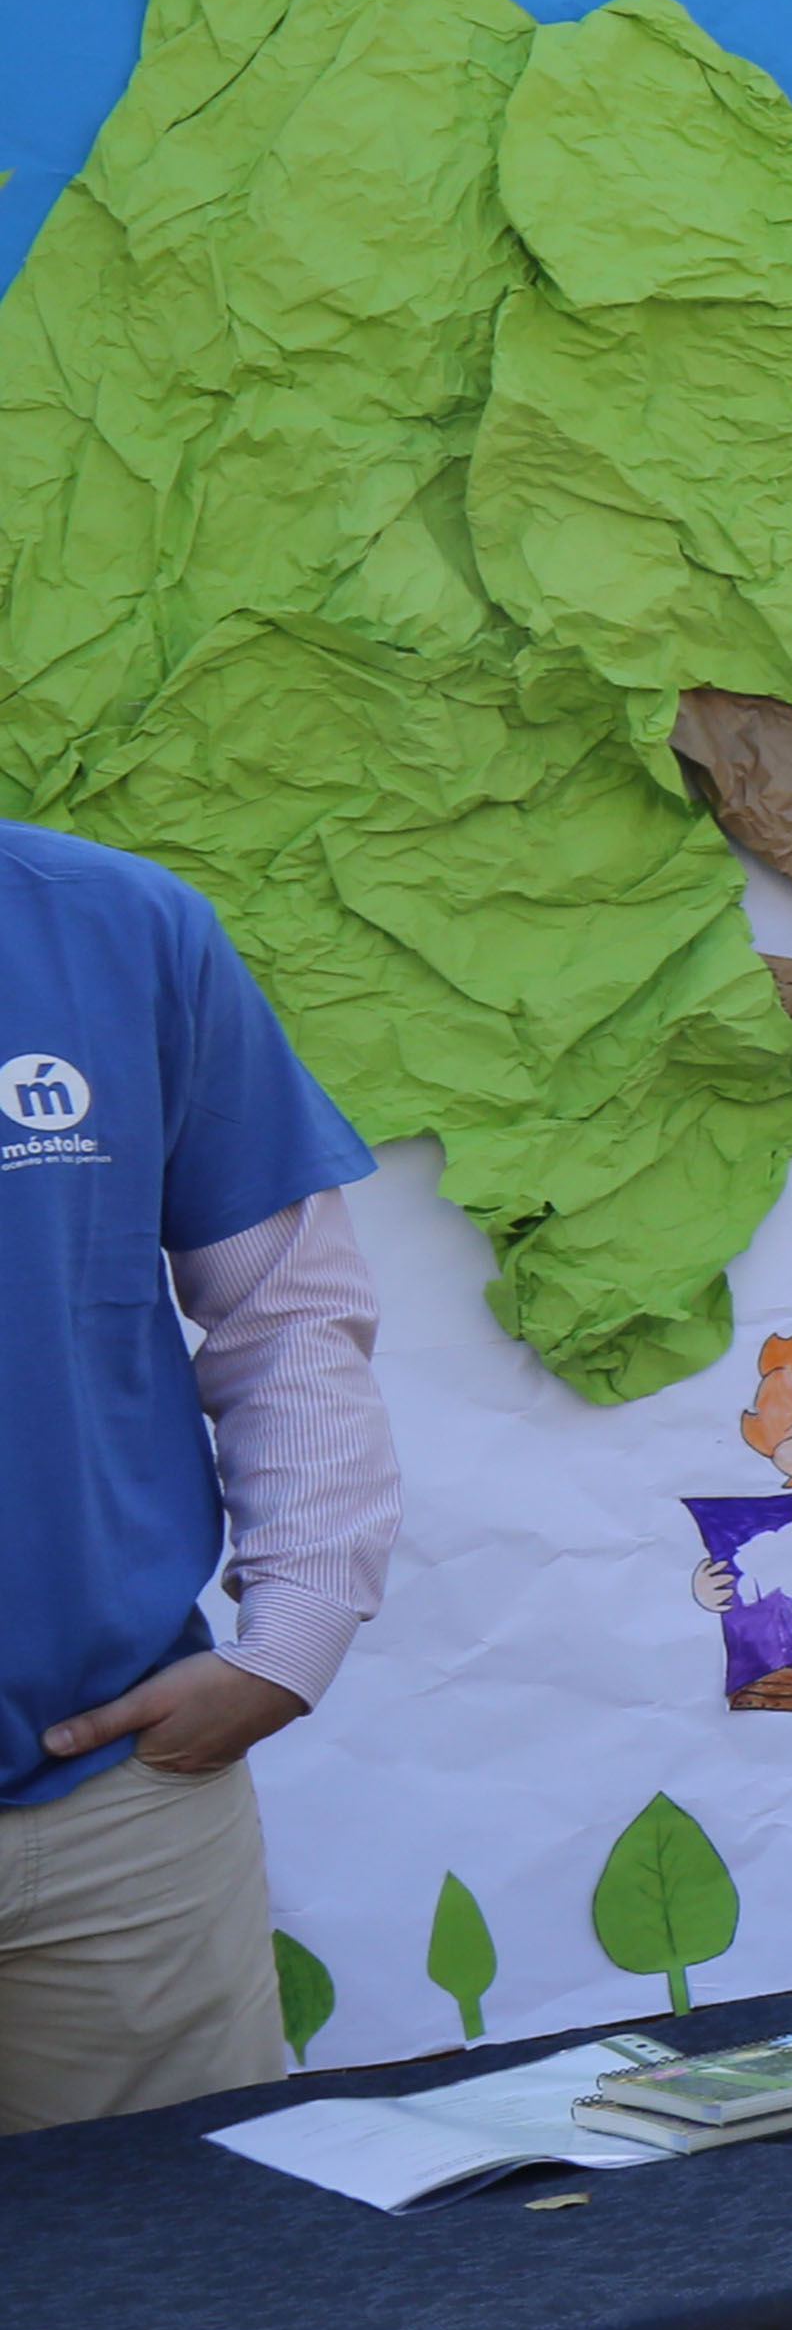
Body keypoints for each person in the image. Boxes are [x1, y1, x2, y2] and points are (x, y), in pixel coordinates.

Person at [3, 818, 395, 2131]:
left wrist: (290, 1642)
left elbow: (283, 1310)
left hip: (112, 1825)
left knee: (194, 2302)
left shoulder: (115, 924)